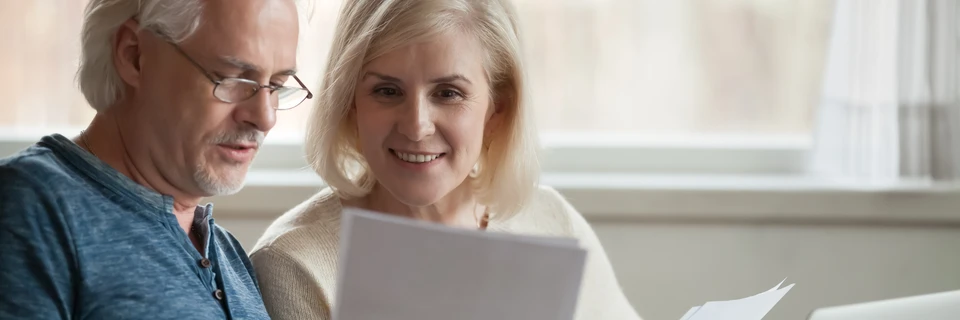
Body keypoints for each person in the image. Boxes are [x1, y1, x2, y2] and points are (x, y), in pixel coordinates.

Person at [250, 0, 643, 319]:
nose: (416, 126)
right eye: (387, 91)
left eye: (448, 93)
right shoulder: (295, 264)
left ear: (497, 108)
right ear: (350, 103)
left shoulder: (552, 222)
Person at [0, 0, 310, 319]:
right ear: (134, 55)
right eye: (232, 79)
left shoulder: (229, 255)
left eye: (276, 86)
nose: (265, 117)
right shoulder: (29, 206)